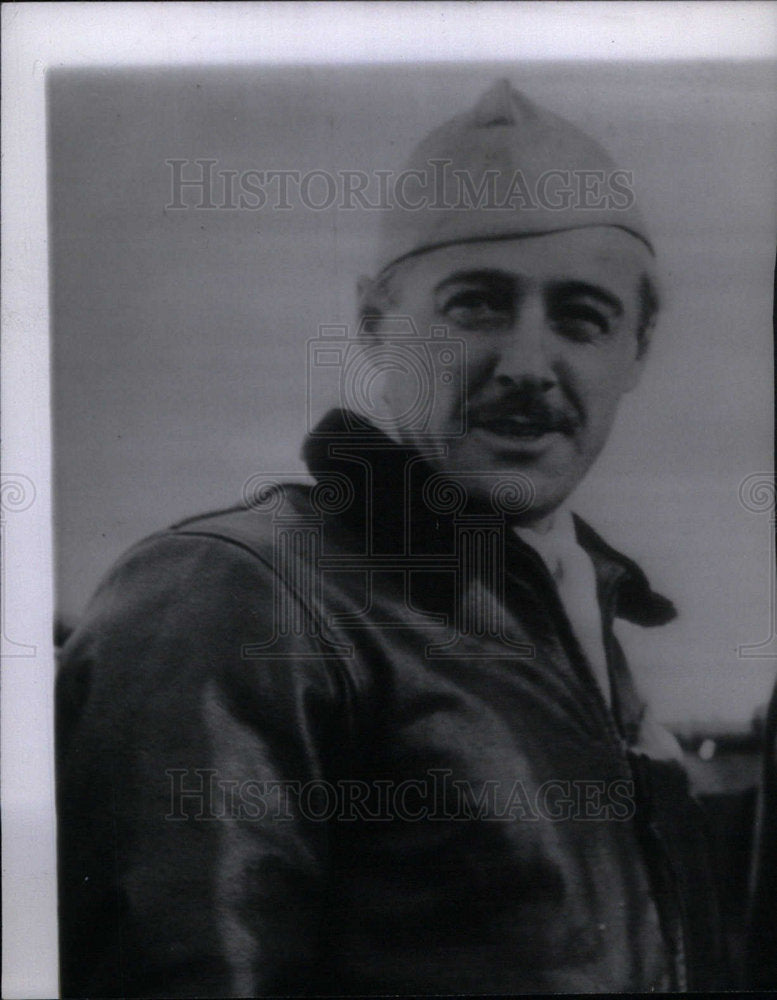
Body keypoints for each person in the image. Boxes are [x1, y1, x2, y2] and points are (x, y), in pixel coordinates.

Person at [56, 79, 724, 995]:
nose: (528, 365)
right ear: (376, 325)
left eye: (581, 317)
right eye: (477, 305)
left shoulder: (578, 614)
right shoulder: (236, 594)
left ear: (637, 349)